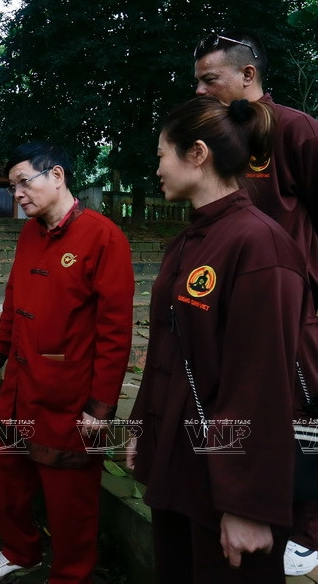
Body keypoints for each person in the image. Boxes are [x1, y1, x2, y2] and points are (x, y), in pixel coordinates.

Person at [127, 96, 308, 582]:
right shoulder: (189, 241)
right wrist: (143, 431)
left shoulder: (260, 245)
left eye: (163, 153)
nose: (157, 167)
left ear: (198, 154)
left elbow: (262, 384)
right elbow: (168, 350)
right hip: (180, 465)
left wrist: (247, 505)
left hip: (225, 485)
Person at [0, 141, 134, 583]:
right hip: (20, 385)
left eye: (24, 182)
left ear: (57, 175)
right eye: (12, 187)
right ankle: (19, 551)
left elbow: (116, 332)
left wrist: (101, 408)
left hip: (68, 394)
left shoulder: (103, 237)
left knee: (70, 495)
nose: (18, 194)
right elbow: (13, 299)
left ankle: (72, 574)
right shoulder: (30, 234)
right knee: (7, 471)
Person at [193, 30, 318, 575]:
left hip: (298, 300)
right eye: (196, 81)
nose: (199, 90)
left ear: (248, 76)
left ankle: (311, 524)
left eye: (209, 79)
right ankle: (264, 501)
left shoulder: (294, 128)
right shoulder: (221, 139)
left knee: (306, 408)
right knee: (258, 403)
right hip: (237, 298)